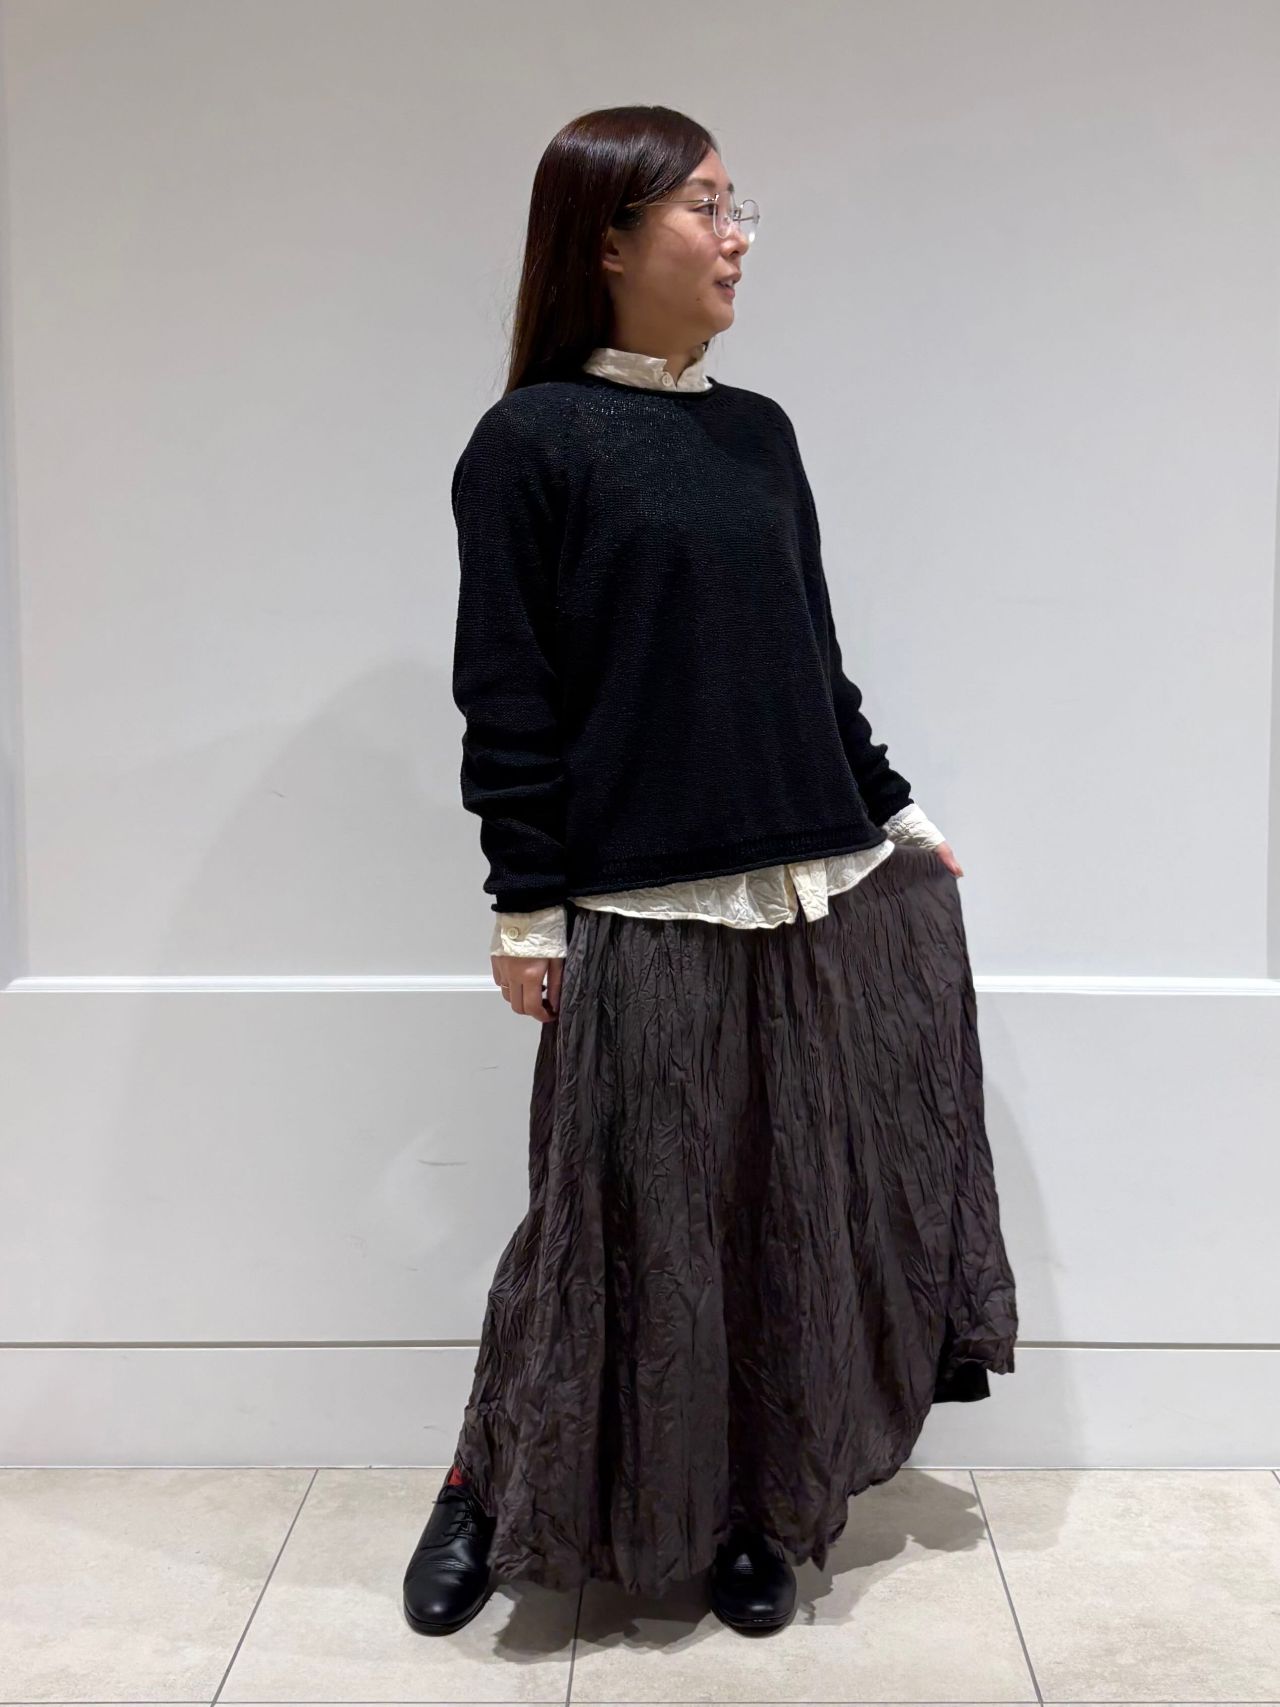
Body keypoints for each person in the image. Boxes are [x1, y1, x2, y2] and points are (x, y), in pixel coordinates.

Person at [403, 104, 1018, 1638]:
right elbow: (510, 694)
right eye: (707, 207)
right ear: (609, 239)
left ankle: (755, 1502)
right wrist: (524, 905)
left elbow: (809, 659)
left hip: (807, 886)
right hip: (641, 901)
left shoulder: (759, 433)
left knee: (776, 1211)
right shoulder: (529, 445)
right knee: (604, 1227)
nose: (738, 237)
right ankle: (488, 1481)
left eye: (742, 207)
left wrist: (894, 809)